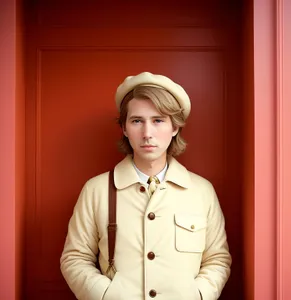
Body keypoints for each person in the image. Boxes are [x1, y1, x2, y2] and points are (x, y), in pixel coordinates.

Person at [60, 72, 231, 300]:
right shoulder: (96, 190)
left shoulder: (201, 191)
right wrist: (105, 296)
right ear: (124, 128)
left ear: (175, 128)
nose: (147, 133)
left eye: (158, 120)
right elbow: (75, 258)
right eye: (137, 121)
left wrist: (198, 295)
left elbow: (218, 259)